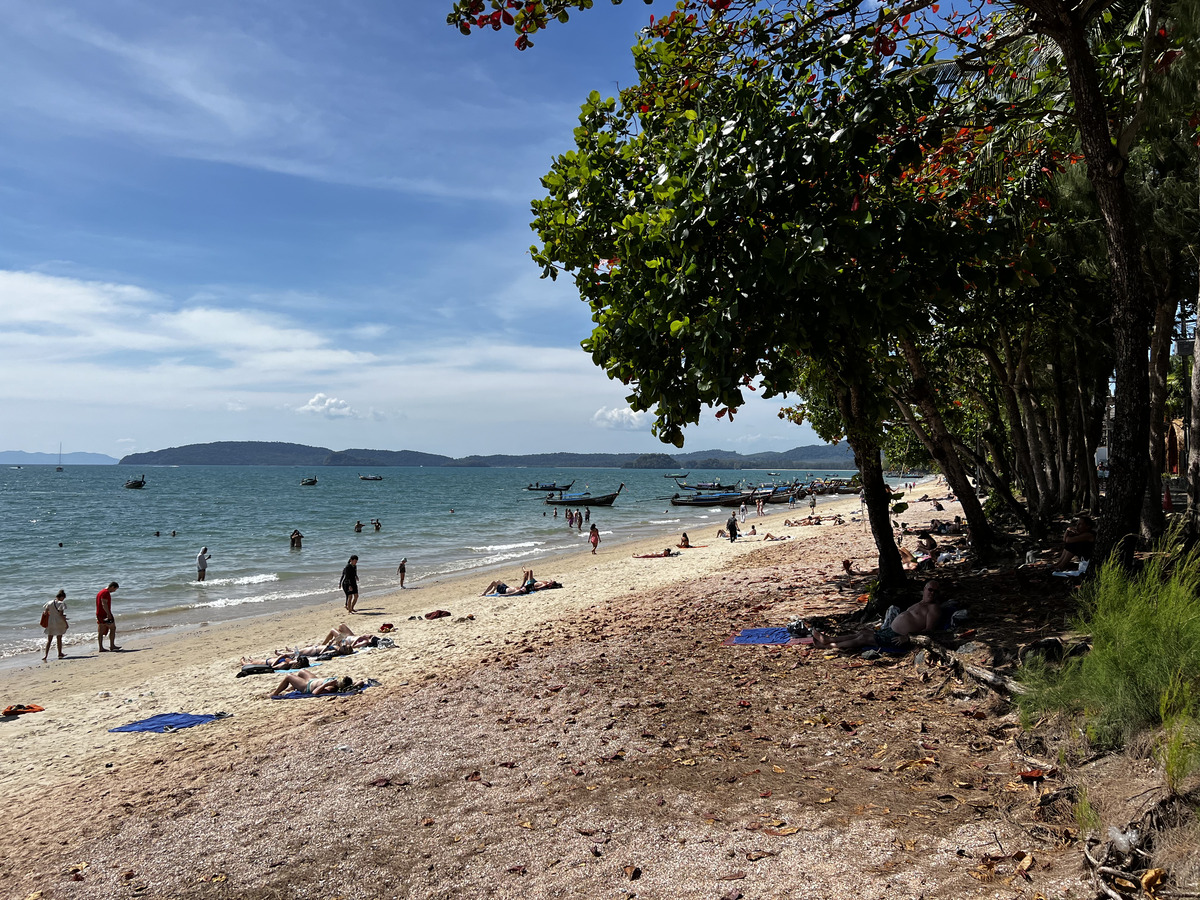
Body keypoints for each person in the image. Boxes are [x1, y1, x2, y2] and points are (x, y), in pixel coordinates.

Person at [811, 581, 951, 651]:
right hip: (891, 631)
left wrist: (908, 637)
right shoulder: (921, 603)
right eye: (930, 590)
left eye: (935, 592)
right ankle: (829, 639)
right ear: (924, 590)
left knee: (863, 638)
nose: (932, 593)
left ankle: (828, 646)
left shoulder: (934, 609)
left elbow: (930, 631)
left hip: (898, 639)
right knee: (863, 632)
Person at [269, 670, 358, 698]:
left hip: (307, 686)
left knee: (288, 676)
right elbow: (359, 682)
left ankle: (275, 693)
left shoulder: (331, 688)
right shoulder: (338, 681)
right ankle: (293, 687)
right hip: (313, 680)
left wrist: (326, 685)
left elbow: (315, 693)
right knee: (301, 672)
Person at [42, 589, 68, 661]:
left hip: (50, 622)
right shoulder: (61, 604)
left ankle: (46, 655)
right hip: (58, 622)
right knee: (59, 638)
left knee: (49, 640)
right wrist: (66, 623)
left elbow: (45, 613)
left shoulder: (49, 602)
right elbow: (61, 615)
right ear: (62, 597)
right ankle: (59, 653)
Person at [96, 581, 120, 652]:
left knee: (100, 631)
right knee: (113, 628)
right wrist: (109, 614)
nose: (114, 591)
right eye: (115, 589)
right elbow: (104, 604)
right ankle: (112, 645)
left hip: (99, 613)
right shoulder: (106, 593)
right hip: (104, 614)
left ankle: (101, 647)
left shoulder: (100, 592)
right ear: (112, 587)